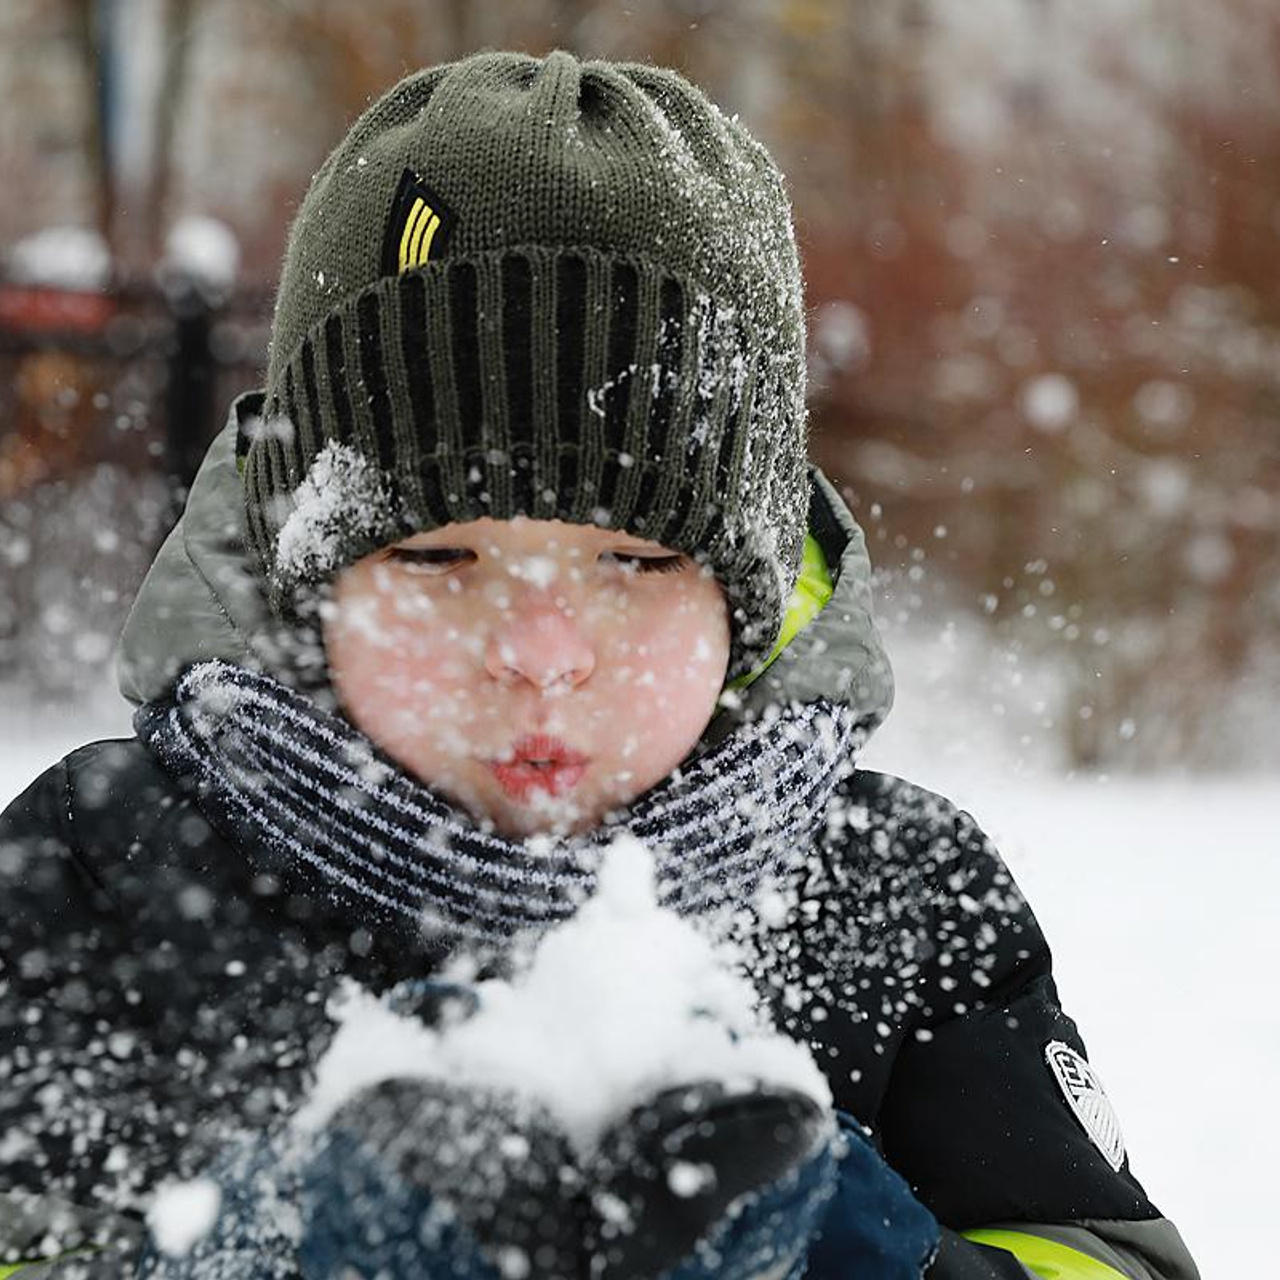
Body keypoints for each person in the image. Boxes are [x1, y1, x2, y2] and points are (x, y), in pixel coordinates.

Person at [0, 50, 1199, 1280]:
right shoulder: (104, 870)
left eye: (633, 564)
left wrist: (855, 1249)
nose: (537, 654)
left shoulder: (894, 900)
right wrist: (265, 1244)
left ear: (747, 597)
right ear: (309, 578)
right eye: (438, 555)